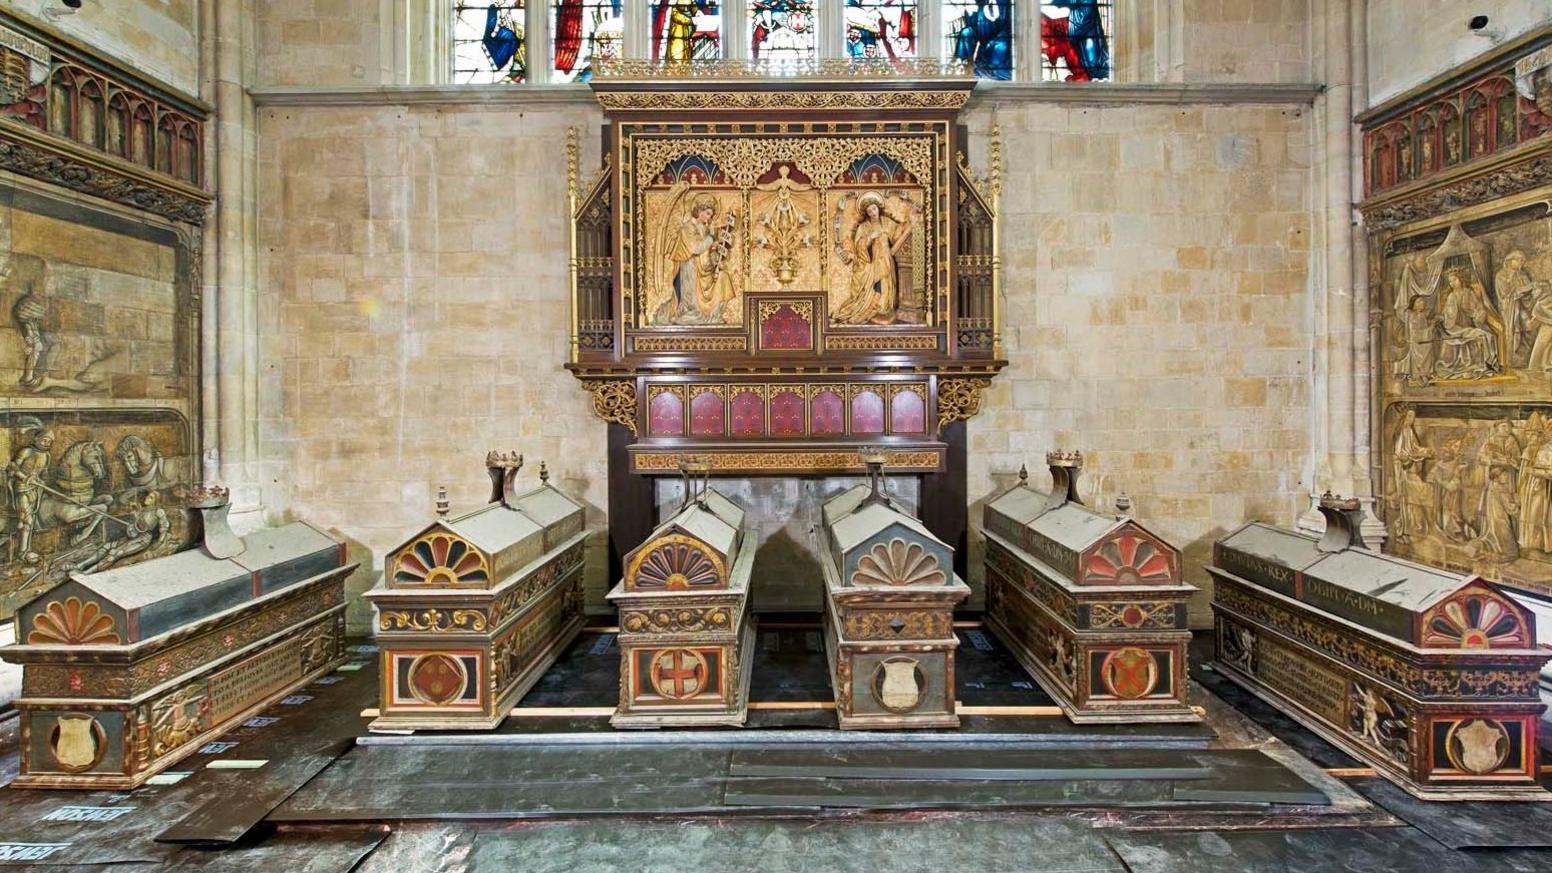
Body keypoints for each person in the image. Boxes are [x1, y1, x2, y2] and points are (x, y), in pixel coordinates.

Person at [834, 192, 915, 325]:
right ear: (866, 212)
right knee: (876, 284)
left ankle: (885, 307)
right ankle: (873, 306)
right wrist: (870, 238)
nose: (872, 212)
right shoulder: (863, 226)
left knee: (886, 283)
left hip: (887, 259)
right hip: (873, 261)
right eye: (869, 210)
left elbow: (896, 236)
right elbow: (858, 246)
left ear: (878, 208)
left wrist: (909, 222)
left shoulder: (887, 222)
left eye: (874, 208)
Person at [662, 195, 737, 324]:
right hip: (692, 270)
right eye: (707, 214)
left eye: (711, 215)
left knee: (724, 277)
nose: (709, 218)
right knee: (692, 302)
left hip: (705, 269)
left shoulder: (704, 229)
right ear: (699, 210)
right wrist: (712, 239)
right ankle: (694, 312)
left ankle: (714, 315)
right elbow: (696, 249)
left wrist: (718, 254)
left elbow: (707, 252)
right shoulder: (687, 228)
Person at [7, 425, 52, 562]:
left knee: (30, 519)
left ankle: (26, 550)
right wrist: (24, 477)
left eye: (50, 441)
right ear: (37, 438)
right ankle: (23, 553)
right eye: (45, 440)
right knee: (27, 520)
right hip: (21, 488)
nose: (47, 443)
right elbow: (12, 467)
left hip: (35, 490)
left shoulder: (46, 455)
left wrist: (43, 482)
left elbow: (44, 474)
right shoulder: (26, 451)